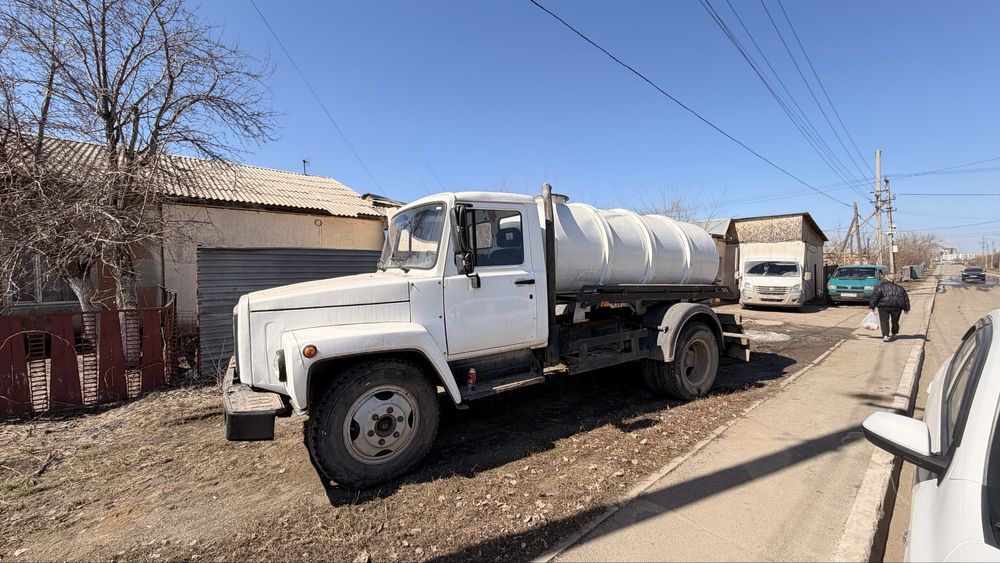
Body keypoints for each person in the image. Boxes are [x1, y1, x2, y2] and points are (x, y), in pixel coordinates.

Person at [868, 273, 910, 342]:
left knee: (884, 321)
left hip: (883, 307)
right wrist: (907, 308)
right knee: (895, 321)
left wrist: (872, 307)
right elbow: (905, 299)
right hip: (897, 307)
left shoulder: (880, 287)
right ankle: (894, 333)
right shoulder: (900, 288)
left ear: (886, 278)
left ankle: (885, 335)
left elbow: (874, 297)